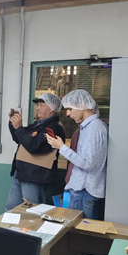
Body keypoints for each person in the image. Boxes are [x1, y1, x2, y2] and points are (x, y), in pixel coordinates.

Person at [46, 90, 108, 219]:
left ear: (82, 105)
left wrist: (62, 147)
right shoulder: (89, 127)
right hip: (82, 190)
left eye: (70, 109)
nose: (68, 114)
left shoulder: (94, 128)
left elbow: (87, 163)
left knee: (76, 229)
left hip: (83, 191)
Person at [5, 93, 66, 211]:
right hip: (21, 173)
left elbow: (33, 146)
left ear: (52, 108)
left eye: (42, 105)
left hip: (34, 177)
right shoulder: (37, 125)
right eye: (38, 105)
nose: (38, 108)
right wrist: (14, 125)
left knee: (32, 212)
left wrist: (19, 128)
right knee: (11, 209)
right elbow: (20, 139)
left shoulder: (54, 129)